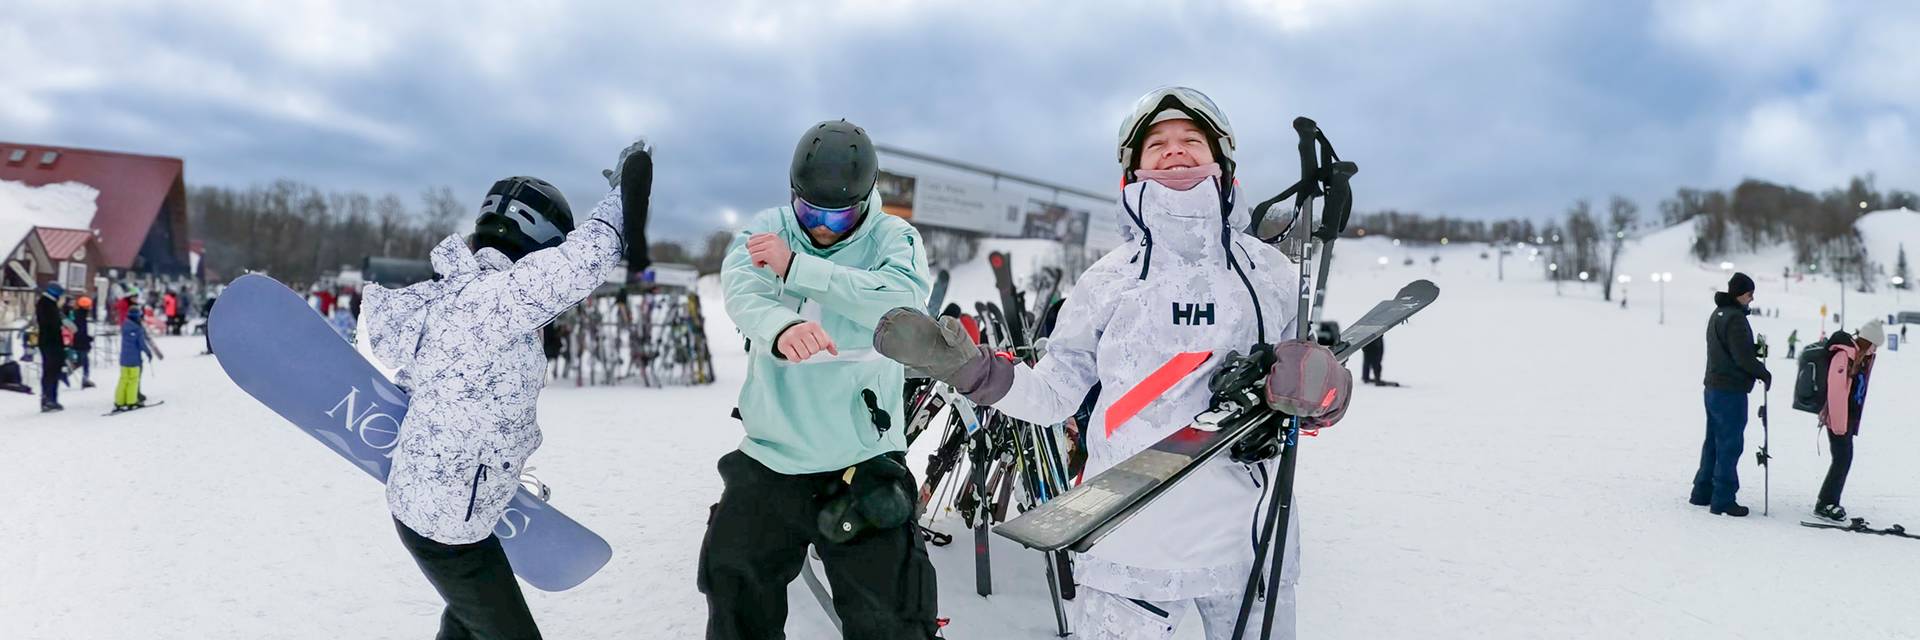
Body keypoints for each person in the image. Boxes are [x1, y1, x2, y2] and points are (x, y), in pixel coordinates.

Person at [874, 87, 1353, 640]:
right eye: (1158, 145)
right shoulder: (1110, 278)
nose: (1176, 151)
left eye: (1192, 141)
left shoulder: (1268, 272)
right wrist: (971, 369)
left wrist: (1325, 391)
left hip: (1248, 544)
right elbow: (1054, 394)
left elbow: (1313, 400)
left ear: (1221, 160)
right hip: (1132, 539)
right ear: (1135, 169)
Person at [356, 141, 651, 640]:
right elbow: (585, 260)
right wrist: (624, 195)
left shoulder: (458, 295)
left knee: (470, 623)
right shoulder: (496, 299)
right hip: (448, 526)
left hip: (441, 509)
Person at [703, 120, 939, 639]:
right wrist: (781, 326)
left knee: (893, 617)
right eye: (812, 211)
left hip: (861, 456)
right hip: (772, 454)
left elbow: (901, 299)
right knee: (735, 598)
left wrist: (799, 269)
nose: (826, 226)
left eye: (843, 212)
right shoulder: (768, 226)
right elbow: (743, 289)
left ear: (868, 198)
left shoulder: (894, 237)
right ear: (793, 196)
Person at [1693, 273, 1771, 517]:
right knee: (1730, 444)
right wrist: (1763, 372)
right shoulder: (1735, 318)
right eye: (1749, 293)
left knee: (1714, 441)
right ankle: (1723, 499)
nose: (1752, 298)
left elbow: (1730, 349)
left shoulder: (1718, 314)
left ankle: (1702, 492)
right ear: (1740, 293)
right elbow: (1742, 357)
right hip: (1730, 390)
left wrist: (1753, 350)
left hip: (1713, 387)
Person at [1812, 320, 1881, 522]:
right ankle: (1825, 503)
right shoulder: (1844, 355)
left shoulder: (1859, 357)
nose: (1875, 350)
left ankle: (1829, 500)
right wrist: (1840, 423)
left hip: (1847, 418)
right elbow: (1835, 392)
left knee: (1843, 459)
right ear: (1868, 341)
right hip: (1837, 418)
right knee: (1842, 459)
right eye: (1875, 345)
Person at [113, 305, 161, 411]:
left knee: (123, 380)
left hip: (124, 359)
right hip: (134, 360)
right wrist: (149, 353)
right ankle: (131, 401)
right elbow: (142, 344)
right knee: (133, 380)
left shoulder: (125, 325)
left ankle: (119, 401)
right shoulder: (138, 328)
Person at [34, 282, 67, 412]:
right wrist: (61, 321)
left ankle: (51, 398)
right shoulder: (46, 304)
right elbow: (51, 324)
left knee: (52, 370)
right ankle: (48, 398)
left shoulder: (47, 303)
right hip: (50, 342)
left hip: (51, 342)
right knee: (50, 370)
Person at [71, 296, 95, 389]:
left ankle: (84, 379)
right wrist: (88, 339)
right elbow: (81, 332)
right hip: (81, 343)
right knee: (83, 362)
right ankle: (84, 379)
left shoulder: (77, 314)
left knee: (81, 361)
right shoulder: (81, 317)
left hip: (78, 342)